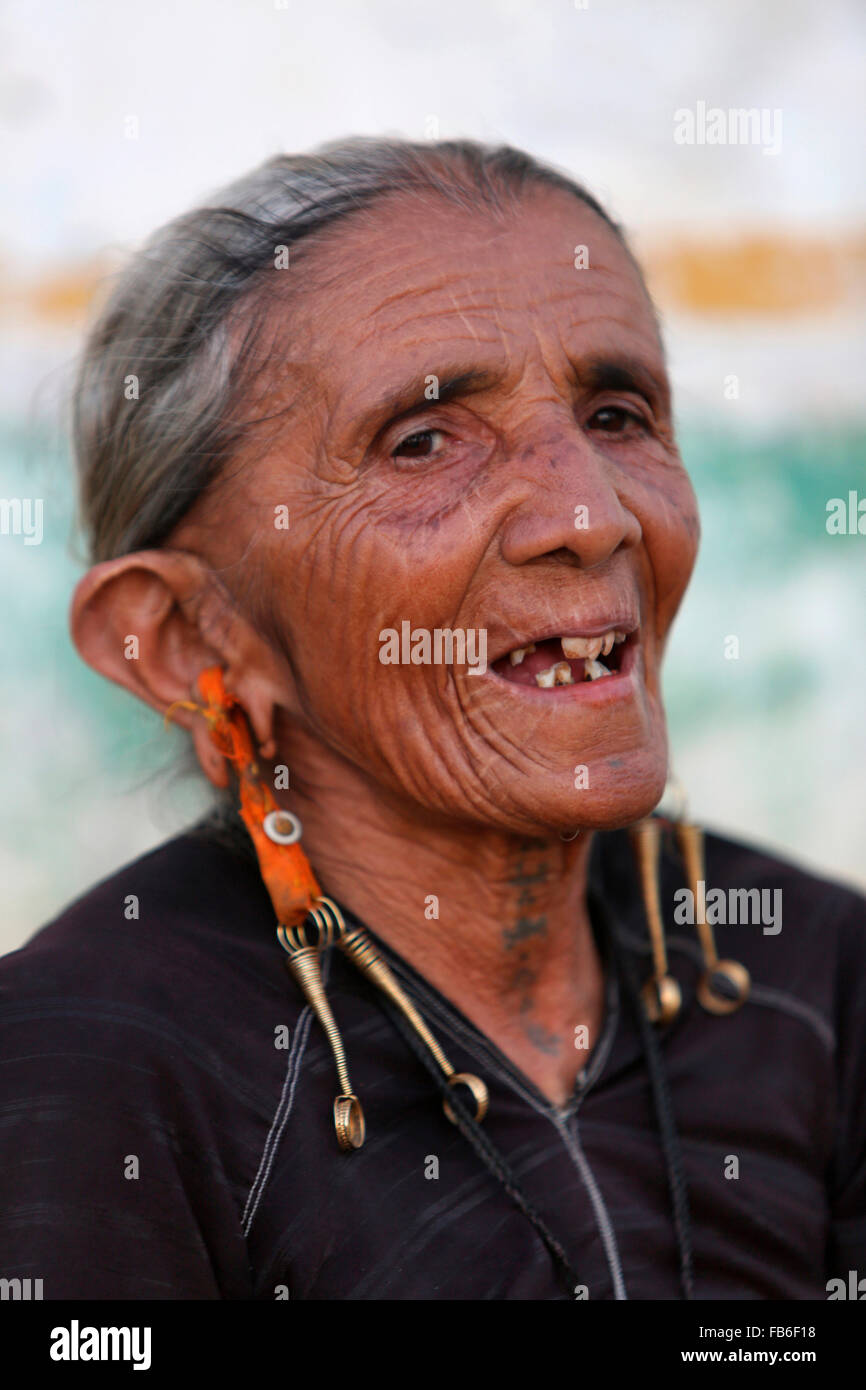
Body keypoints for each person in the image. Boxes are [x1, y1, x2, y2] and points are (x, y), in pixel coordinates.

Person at [0, 138, 863, 1300]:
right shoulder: (85, 1066)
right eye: (422, 441)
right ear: (195, 637)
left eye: (616, 414)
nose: (589, 512)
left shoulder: (813, 976)